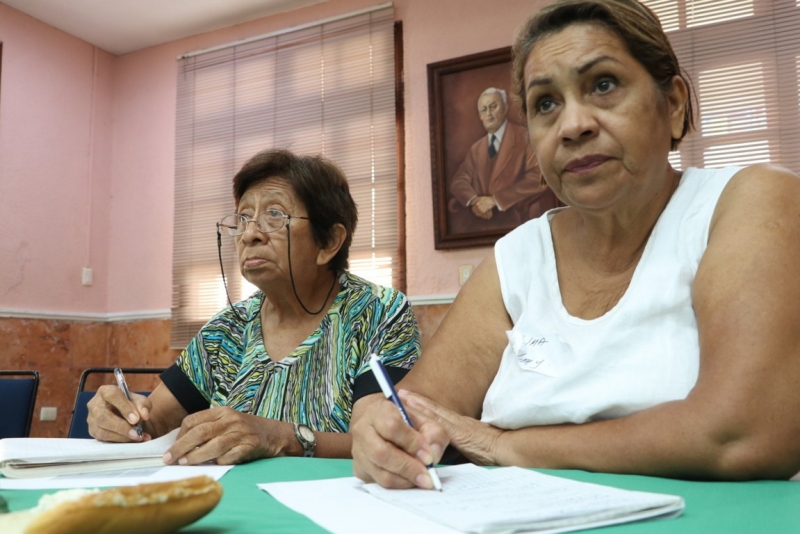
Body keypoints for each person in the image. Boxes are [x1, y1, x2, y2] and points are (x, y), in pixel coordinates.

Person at [352, 0, 800, 488]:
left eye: (603, 85)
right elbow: (418, 412)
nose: (573, 125)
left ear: (673, 105)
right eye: (546, 104)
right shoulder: (518, 258)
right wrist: (378, 426)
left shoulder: (749, 203)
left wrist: (507, 446)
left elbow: (746, 434)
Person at [88, 149, 421, 464]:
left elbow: (378, 439)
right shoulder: (226, 330)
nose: (249, 234)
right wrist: (121, 418)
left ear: (329, 242)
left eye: (274, 214)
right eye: (244, 217)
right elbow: (153, 424)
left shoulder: (378, 312)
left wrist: (283, 437)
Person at [448, 87, 559, 234]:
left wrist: (495, 200)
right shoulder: (477, 148)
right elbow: (459, 180)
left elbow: (539, 177)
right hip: (482, 224)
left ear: (505, 108)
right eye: (484, 109)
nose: (489, 114)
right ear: (480, 115)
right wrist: (475, 201)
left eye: (493, 107)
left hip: (519, 222)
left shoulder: (523, 137)